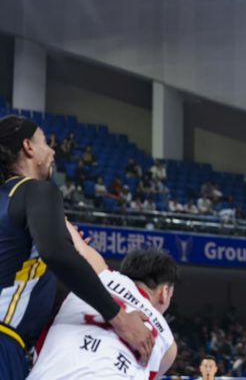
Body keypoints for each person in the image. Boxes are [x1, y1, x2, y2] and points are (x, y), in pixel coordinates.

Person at [0, 115, 153, 379]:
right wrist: (120, 318)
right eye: (45, 142)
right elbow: (56, 253)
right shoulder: (37, 190)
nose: (52, 151)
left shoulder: (8, 202)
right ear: (28, 147)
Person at [28, 224, 178, 379]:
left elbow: (56, 222)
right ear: (165, 292)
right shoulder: (168, 343)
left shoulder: (98, 271)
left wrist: (73, 235)